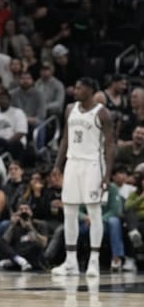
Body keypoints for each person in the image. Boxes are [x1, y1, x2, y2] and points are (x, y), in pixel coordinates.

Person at [52, 77, 114, 277]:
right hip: (73, 163)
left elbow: (109, 146)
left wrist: (107, 175)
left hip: (93, 165)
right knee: (69, 211)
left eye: (79, 88)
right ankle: (70, 262)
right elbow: (65, 139)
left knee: (94, 212)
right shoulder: (70, 109)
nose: (75, 90)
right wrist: (57, 165)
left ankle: (93, 261)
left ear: (89, 90)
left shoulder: (103, 113)